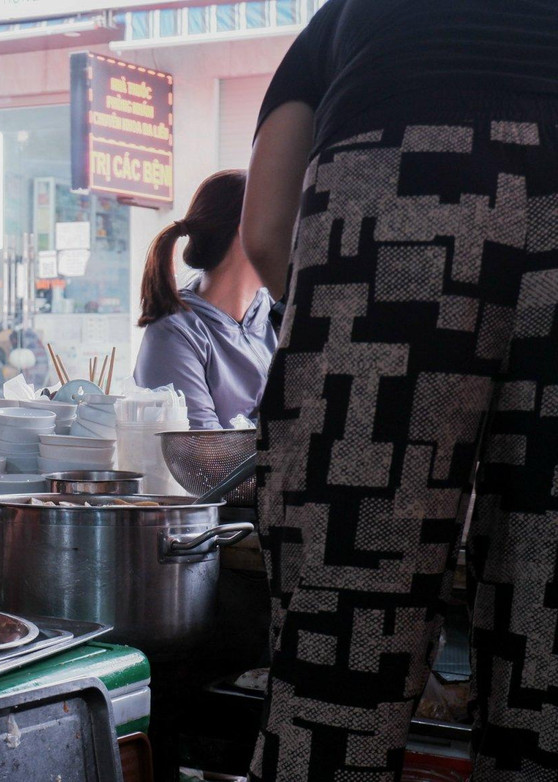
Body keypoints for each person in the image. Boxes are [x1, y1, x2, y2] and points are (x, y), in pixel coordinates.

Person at [241, 1, 558, 778]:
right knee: (548, 654)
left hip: (405, 187)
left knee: (341, 646)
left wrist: (338, 333)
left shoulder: (347, 14)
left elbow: (265, 230)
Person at [132, 170, 275, 430]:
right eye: (283, 225)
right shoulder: (175, 335)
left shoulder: (279, 316)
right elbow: (206, 457)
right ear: (249, 233)